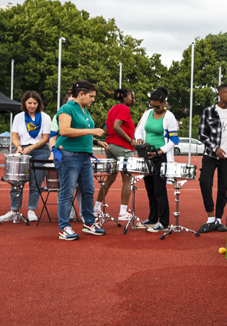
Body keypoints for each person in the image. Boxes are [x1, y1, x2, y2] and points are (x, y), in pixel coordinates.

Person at [55, 80, 105, 240]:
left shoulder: (84, 110)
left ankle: (89, 223)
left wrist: (96, 141)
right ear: (81, 94)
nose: (93, 99)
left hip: (84, 156)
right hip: (69, 156)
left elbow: (81, 133)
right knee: (67, 192)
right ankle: (64, 227)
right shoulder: (67, 108)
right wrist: (91, 131)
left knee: (89, 190)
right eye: (91, 96)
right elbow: (64, 130)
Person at [0, 91, 54, 224]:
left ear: (39, 104)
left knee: (36, 182)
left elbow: (45, 138)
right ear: (24, 103)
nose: (32, 106)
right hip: (22, 150)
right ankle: (14, 210)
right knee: (16, 181)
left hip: (40, 150)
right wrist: (18, 146)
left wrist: (31, 148)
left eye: (35, 103)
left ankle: (31, 210)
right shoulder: (18, 117)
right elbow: (14, 135)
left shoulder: (45, 117)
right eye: (29, 103)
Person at [196, 84, 227, 233]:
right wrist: (215, 148)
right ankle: (210, 218)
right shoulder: (209, 111)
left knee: (223, 187)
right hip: (210, 154)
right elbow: (202, 134)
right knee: (204, 182)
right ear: (221, 94)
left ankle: (218, 219)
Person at [132, 87, 179, 232]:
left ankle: (163, 222)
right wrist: (139, 138)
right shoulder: (148, 113)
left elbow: (174, 140)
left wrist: (159, 151)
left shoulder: (169, 117)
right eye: (152, 106)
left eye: (157, 106)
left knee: (159, 190)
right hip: (147, 154)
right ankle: (152, 218)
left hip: (160, 156)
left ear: (164, 102)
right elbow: (139, 129)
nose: (155, 109)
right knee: (150, 189)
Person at [96, 88, 138, 223]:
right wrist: (130, 140)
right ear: (126, 98)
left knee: (110, 177)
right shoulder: (125, 109)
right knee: (127, 179)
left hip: (110, 146)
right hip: (123, 147)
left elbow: (108, 129)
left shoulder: (112, 109)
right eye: (133, 97)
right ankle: (123, 212)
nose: (134, 100)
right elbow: (116, 126)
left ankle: (96, 207)